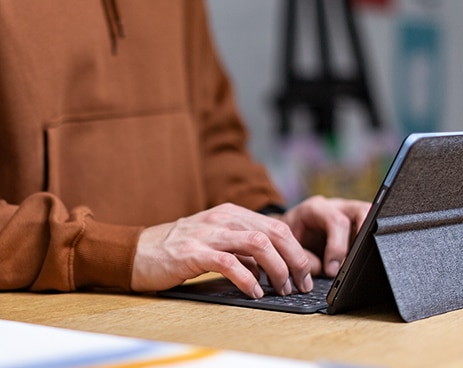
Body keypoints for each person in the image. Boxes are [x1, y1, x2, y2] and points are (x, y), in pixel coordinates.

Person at [0, 0, 369, 299]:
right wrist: (120, 251)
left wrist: (268, 226)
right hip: (46, 333)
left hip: (193, 315)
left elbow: (212, 142)